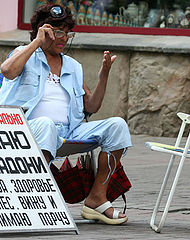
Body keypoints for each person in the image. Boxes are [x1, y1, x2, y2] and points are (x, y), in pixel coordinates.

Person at [0, 3, 132, 225]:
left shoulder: (72, 65)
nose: (63, 38)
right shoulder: (25, 54)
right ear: (44, 31)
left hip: (67, 131)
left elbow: (91, 107)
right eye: (58, 32)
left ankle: (96, 199)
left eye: (67, 33)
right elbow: (7, 71)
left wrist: (104, 75)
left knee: (117, 125)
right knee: (46, 124)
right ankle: (38, 200)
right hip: (26, 128)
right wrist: (36, 43)